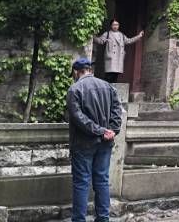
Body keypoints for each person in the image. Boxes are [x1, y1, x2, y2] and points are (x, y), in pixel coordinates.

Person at [66, 57, 121, 222]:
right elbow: (117, 112)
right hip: (105, 142)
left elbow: (78, 118)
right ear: (90, 70)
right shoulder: (108, 87)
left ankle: (79, 220)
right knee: (102, 180)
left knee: (82, 182)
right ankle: (104, 219)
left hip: (83, 143)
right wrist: (112, 130)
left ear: (76, 72)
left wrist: (101, 131)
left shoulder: (74, 89)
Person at [93, 18, 143, 83]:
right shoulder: (107, 33)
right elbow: (100, 41)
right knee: (108, 76)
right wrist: (93, 36)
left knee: (115, 76)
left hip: (118, 58)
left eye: (117, 25)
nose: (115, 26)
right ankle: (106, 90)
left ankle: (112, 91)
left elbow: (129, 41)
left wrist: (139, 36)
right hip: (110, 58)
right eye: (114, 25)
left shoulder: (121, 35)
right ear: (111, 26)